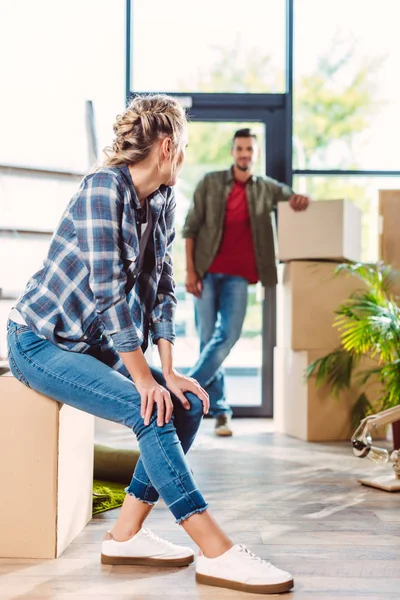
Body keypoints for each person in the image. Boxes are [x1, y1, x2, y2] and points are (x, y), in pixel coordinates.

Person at [6, 96, 294, 595]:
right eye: (182, 146)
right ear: (166, 146)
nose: (184, 156)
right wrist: (143, 381)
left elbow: (162, 287)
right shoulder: (102, 189)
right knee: (150, 409)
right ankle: (215, 548)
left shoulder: (161, 199)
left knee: (182, 405)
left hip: (92, 343)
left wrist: (169, 371)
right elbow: (109, 291)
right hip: (40, 341)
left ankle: (124, 536)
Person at [183, 128, 310, 437]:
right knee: (207, 341)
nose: (244, 154)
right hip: (206, 272)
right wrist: (190, 271)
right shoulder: (210, 183)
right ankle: (221, 410)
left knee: (225, 338)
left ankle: (182, 391)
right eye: (240, 148)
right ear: (232, 152)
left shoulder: (265, 188)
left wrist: (301, 198)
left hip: (239, 278)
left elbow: (291, 196)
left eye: (250, 149)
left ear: (256, 154)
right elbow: (190, 228)